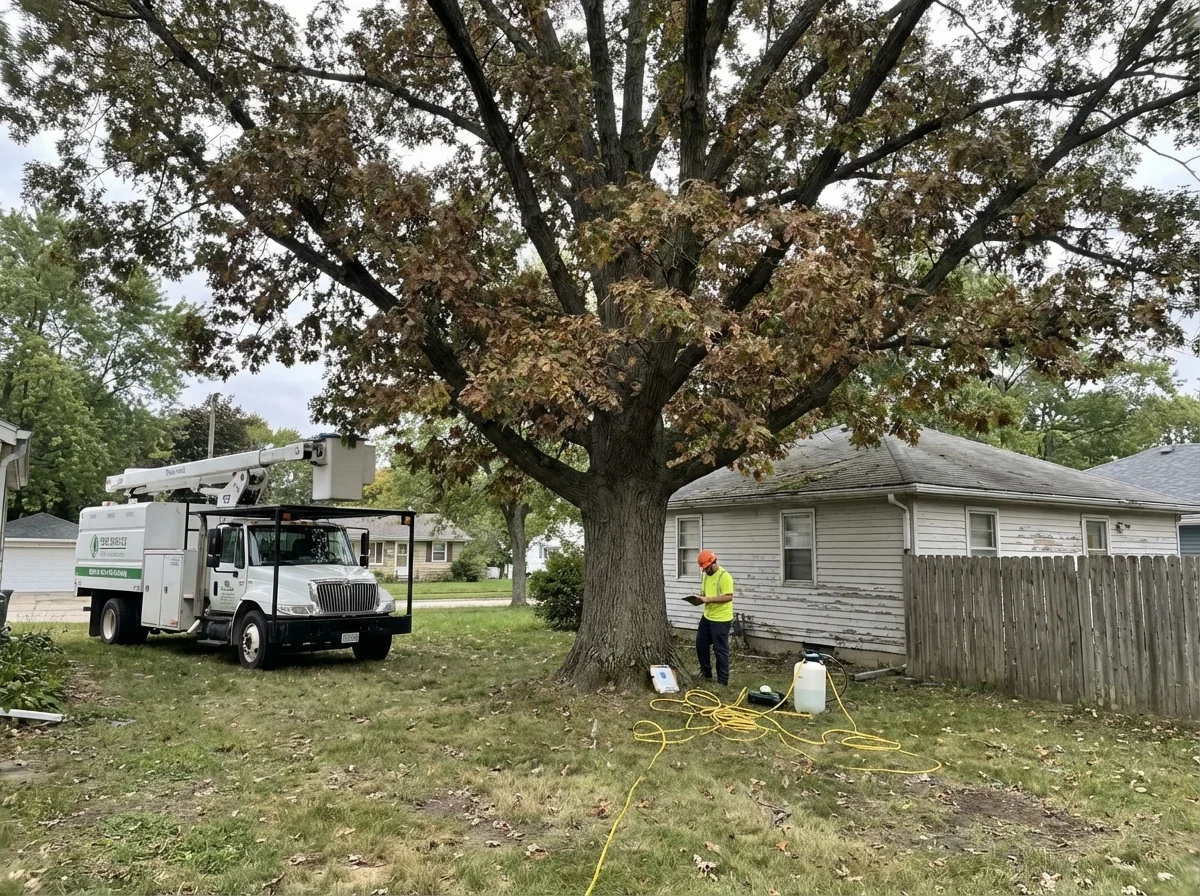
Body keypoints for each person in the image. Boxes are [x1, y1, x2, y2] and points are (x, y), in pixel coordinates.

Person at [695, 549, 735, 686]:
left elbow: (729, 597)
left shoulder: (725, 576)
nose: (705, 571)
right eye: (703, 569)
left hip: (722, 619)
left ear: (713, 563)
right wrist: (700, 598)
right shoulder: (706, 576)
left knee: (720, 649)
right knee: (700, 644)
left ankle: (723, 680)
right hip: (708, 616)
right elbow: (705, 593)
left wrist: (709, 599)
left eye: (706, 568)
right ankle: (706, 672)